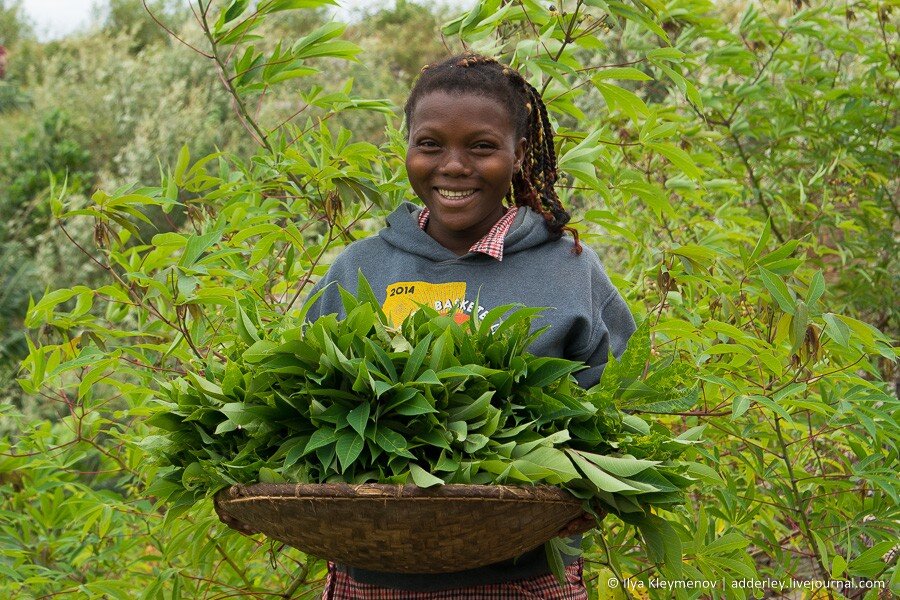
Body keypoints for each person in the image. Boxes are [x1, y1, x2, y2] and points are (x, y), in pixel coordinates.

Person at [305, 53, 636, 599]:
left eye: (481, 146)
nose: (453, 165)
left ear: (518, 155)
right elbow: (306, 397)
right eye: (430, 144)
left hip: (526, 577)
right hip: (375, 580)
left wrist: (593, 488)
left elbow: (618, 402)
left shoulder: (568, 270)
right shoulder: (360, 269)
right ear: (406, 147)